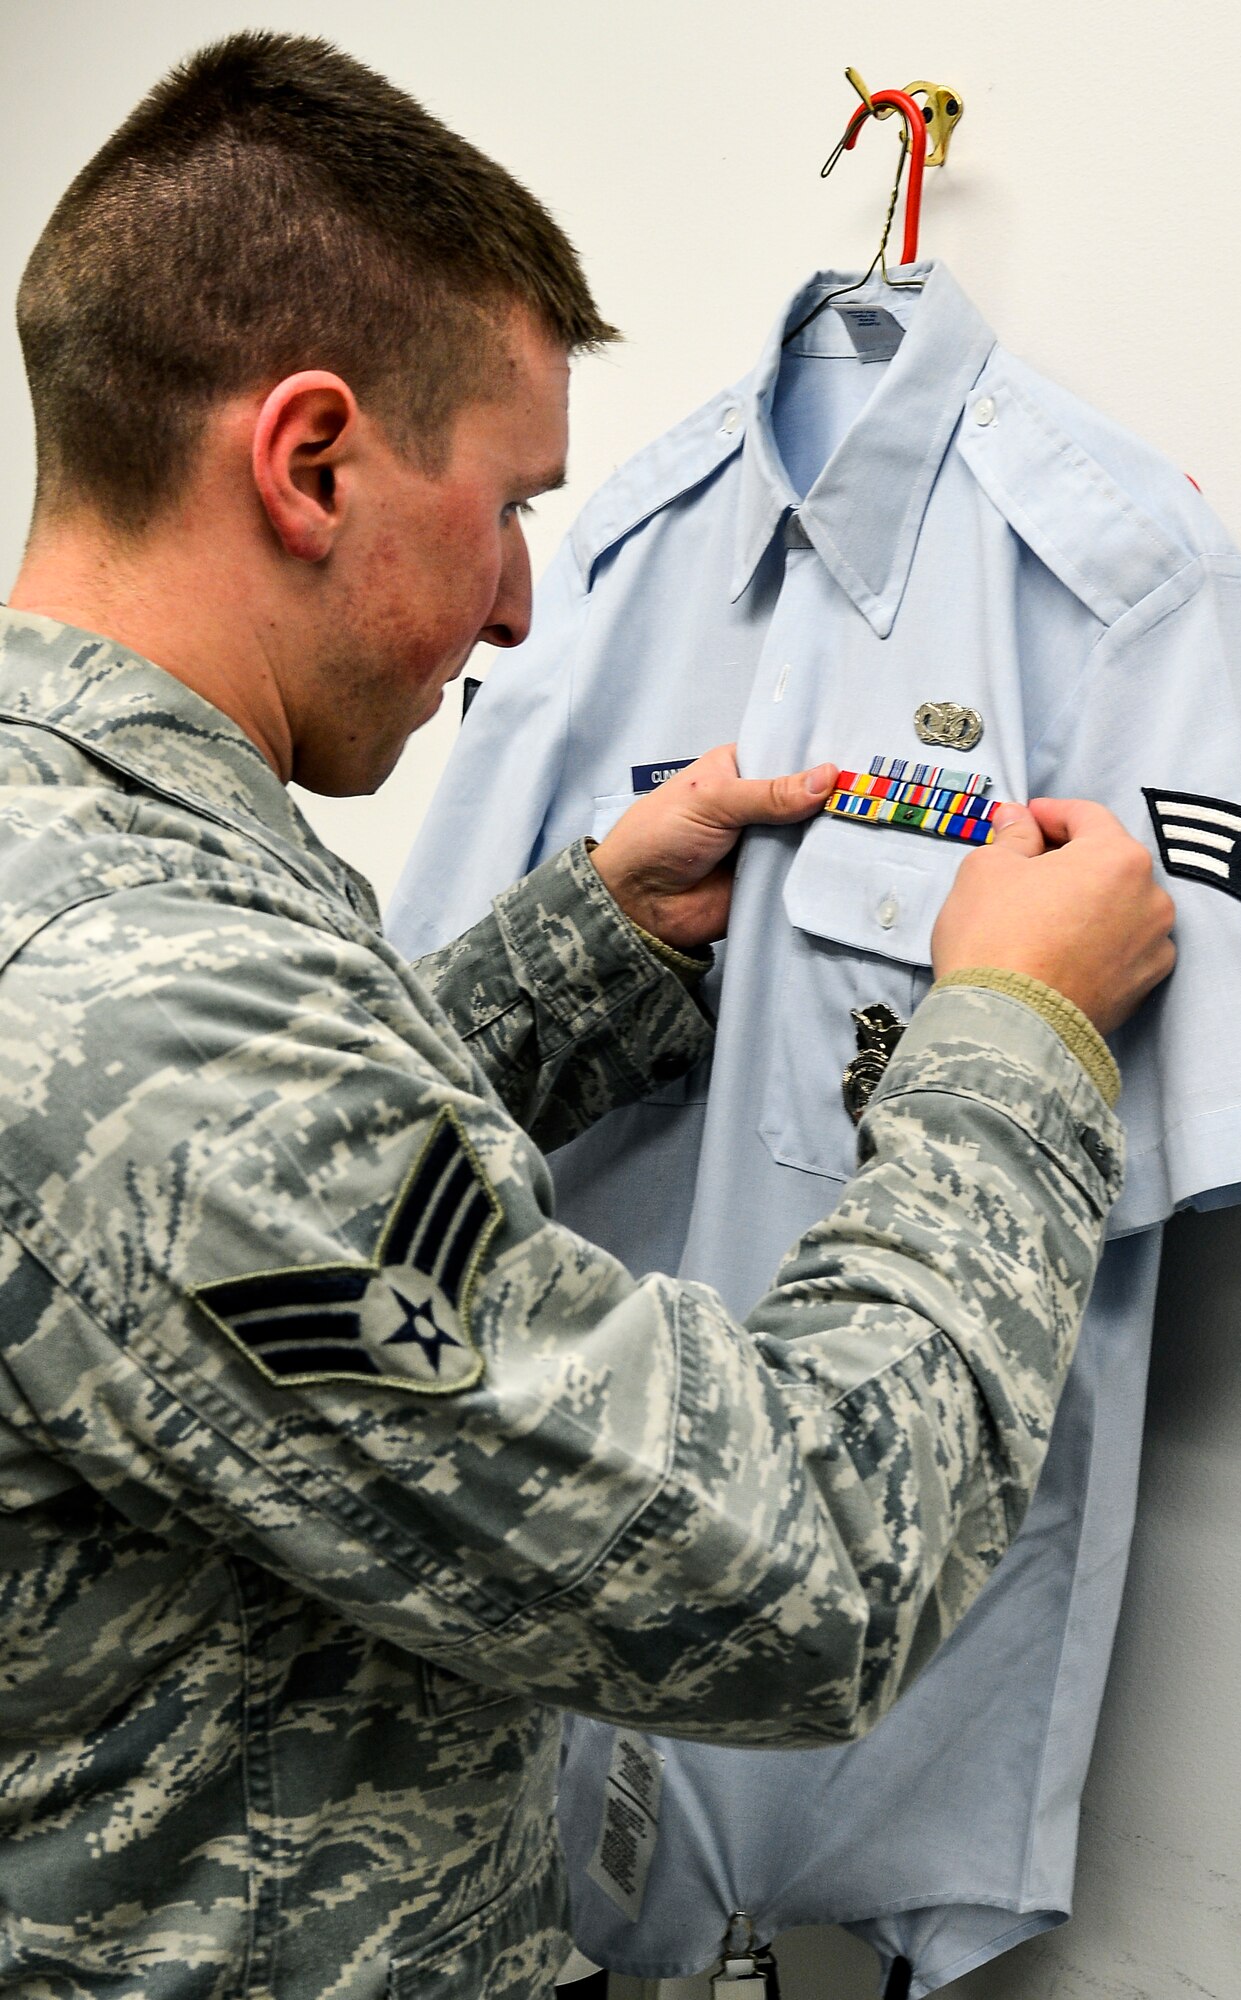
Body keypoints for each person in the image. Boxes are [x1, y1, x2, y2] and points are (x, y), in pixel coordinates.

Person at [0, 31, 1174, 2000]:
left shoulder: (91, 869)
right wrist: (1010, 1036)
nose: (528, 607)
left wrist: (581, 964)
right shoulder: (167, 1022)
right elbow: (814, 1567)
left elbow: (188, 1228)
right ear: (307, 462)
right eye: (508, 505)